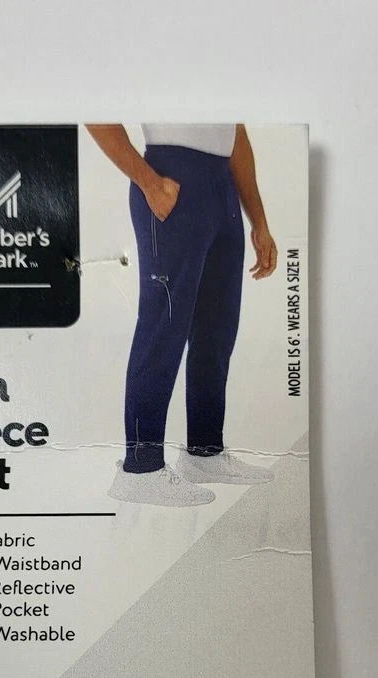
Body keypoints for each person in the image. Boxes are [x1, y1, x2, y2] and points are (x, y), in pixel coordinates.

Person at [86, 124, 279, 506]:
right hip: (170, 178)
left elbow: (235, 132)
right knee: (163, 326)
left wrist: (259, 221)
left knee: (217, 330)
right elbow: (95, 114)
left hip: (222, 188)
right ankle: (140, 470)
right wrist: (147, 182)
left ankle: (204, 454)